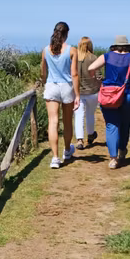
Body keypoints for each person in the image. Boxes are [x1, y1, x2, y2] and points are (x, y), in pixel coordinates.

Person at [87, 35, 130, 169]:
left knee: (111, 125)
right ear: (128, 46)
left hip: (109, 96)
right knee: (125, 123)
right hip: (129, 95)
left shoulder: (106, 56)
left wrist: (97, 80)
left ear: (114, 46)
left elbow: (91, 68)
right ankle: (122, 151)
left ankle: (113, 159)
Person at [40, 21, 76, 169]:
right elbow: (74, 74)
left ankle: (55, 158)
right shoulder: (71, 50)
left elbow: (43, 71)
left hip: (52, 86)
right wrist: (78, 94)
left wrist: (44, 82)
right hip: (67, 86)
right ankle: (67, 151)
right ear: (66, 34)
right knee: (67, 121)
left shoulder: (46, 50)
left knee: (53, 122)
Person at [72, 37, 102, 150]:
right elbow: (98, 76)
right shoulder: (93, 58)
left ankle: (80, 140)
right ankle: (90, 135)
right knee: (90, 114)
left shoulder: (74, 58)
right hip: (92, 91)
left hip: (78, 92)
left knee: (78, 115)